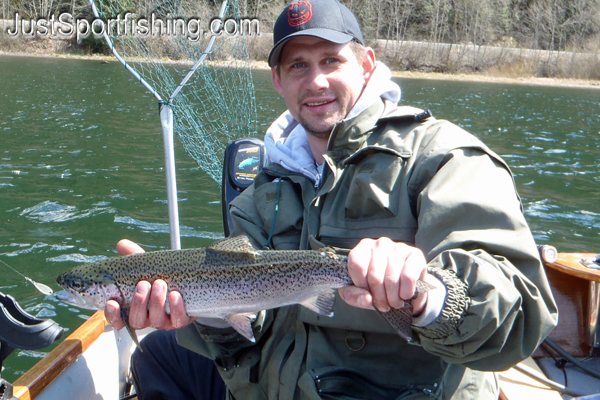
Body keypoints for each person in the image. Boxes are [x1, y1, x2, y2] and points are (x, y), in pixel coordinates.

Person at [106, 0, 558, 398]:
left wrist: (431, 295)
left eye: (331, 60)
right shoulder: (260, 191)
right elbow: (251, 331)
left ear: (366, 66)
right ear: (278, 81)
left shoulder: (442, 158)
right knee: (160, 353)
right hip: (274, 383)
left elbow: (523, 315)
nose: (316, 80)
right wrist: (207, 315)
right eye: (298, 66)